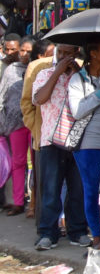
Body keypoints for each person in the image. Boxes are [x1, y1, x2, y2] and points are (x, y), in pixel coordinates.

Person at [31, 43, 90, 250]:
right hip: (50, 140)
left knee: (77, 189)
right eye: (60, 53)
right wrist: (56, 73)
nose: (64, 57)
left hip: (77, 140)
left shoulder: (82, 75)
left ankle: (78, 231)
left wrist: (77, 75)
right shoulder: (44, 74)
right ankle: (47, 233)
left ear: (76, 53)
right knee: (51, 189)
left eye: (68, 53)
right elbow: (38, 99)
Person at [67, 36, 100, 250]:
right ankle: (97, 235)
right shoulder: (77, 80)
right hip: (88, 141)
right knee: (90, 189)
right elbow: (78, 111)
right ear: (93, 53)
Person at [21, 39, 56, 219]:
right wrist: (35, 127)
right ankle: (44, 224)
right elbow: (27, 102)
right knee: (44, 181)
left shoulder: (78, 65)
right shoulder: (36, 67)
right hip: (43, 134)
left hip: (71, 137)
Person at [0, 35, 34, 215]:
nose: (24, 54)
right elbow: (3, 95)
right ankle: (18, 202)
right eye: (22, 50)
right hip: (14, 123)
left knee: (35, 164)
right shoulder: (11, 70)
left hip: (34, 121)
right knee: (18, 162)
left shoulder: (37, 68)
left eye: (28, 51)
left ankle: (34, 202)